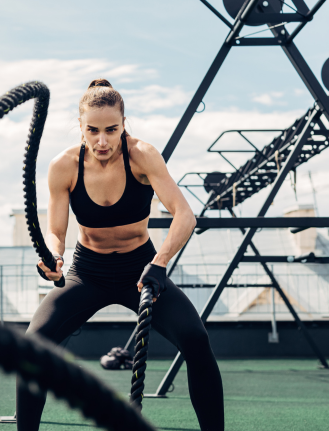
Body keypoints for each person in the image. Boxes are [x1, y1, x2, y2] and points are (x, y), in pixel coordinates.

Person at [16, 78, 224, 431]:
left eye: (111, 130)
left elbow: (185, 215)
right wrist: (55, 258)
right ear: (80, 127)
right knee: (32, 346)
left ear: (123, 125)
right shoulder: (64, 166)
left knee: (196, 339)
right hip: (87, 272)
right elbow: (56, 231)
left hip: (140, 271)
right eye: (92, 130)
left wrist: (159, 264)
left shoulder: (143, 155)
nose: (102, 140)